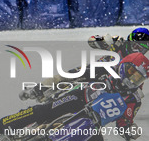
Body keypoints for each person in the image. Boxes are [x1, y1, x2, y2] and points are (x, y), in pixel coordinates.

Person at [0, 52, 149, 141]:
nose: (133, 81)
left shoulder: (133, 98)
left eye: (139, 79)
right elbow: (73, 73)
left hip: (93, 122)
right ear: (125, 67)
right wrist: (42, 88)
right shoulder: (105, 68)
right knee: (44, 110)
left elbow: (125, 121)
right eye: (133, 74)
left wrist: (129, 131)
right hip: (76, 99)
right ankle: (1, 125)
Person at [21, 27, 149, 102]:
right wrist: (106, 41)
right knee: (67, 75)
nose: (138, 51)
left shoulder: (140, 62)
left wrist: (135, 93)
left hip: (114, 82)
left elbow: (137, 84)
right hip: (99, 67)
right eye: (136, 46)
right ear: (130, 40)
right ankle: (37, 89)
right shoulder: (119, 41)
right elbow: (92, 40)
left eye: (143, 49)